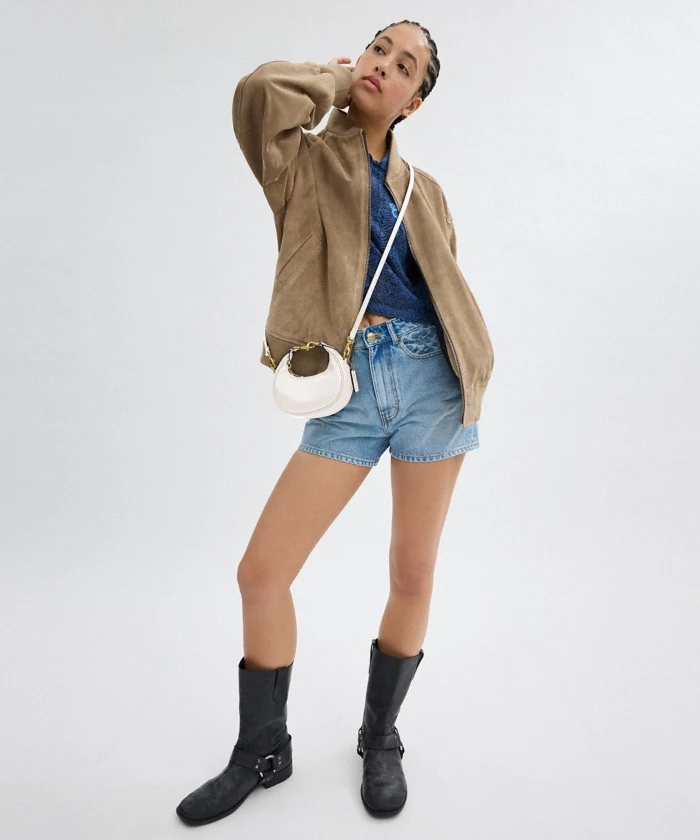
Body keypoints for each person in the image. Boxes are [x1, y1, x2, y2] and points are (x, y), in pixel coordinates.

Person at [176, 19, 494, 825]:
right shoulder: (302, 161)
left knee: (412, 575)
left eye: (405, 66)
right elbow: (259, 97)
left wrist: (474, 366)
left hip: (431, 384)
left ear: (415, 101)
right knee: (262, 572)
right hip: (346, 388)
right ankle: (262, 751)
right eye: (380, 49)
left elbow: (448, 288)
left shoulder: (427, 192)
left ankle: (380, 738)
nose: (385, 66)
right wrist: (331, 78)